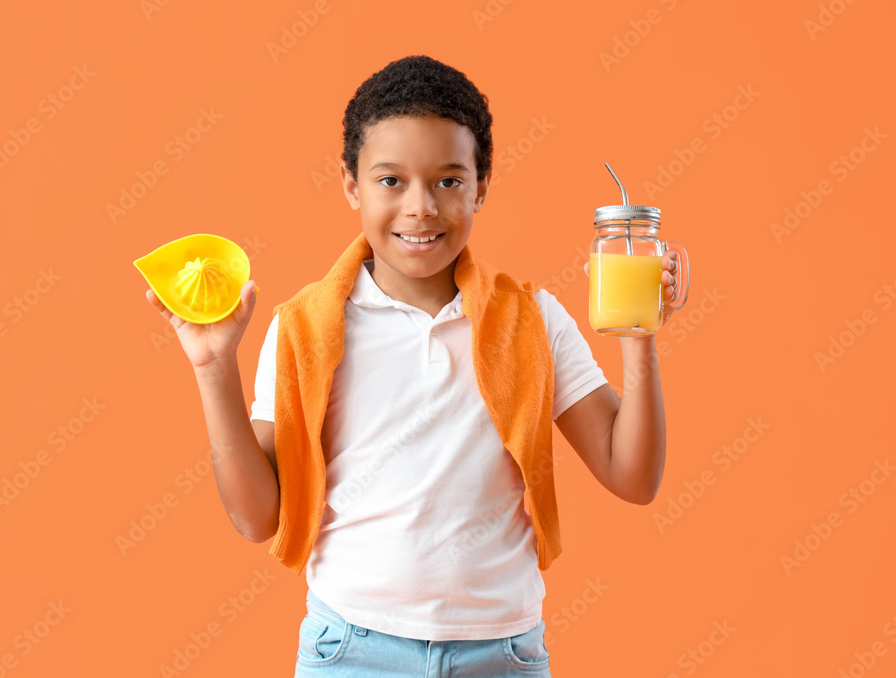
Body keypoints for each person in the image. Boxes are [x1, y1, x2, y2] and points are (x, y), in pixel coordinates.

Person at [145, 54, 679, 678]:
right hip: (349, 650)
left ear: (482, 183)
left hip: (502, 654)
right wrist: (214, 369)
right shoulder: (304, 328)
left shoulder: (532, 320)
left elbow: (632, 476)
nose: (421, 207)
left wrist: (639, 336)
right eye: (391, 181)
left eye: (449, 181)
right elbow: (257, 518)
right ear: (351, 184)